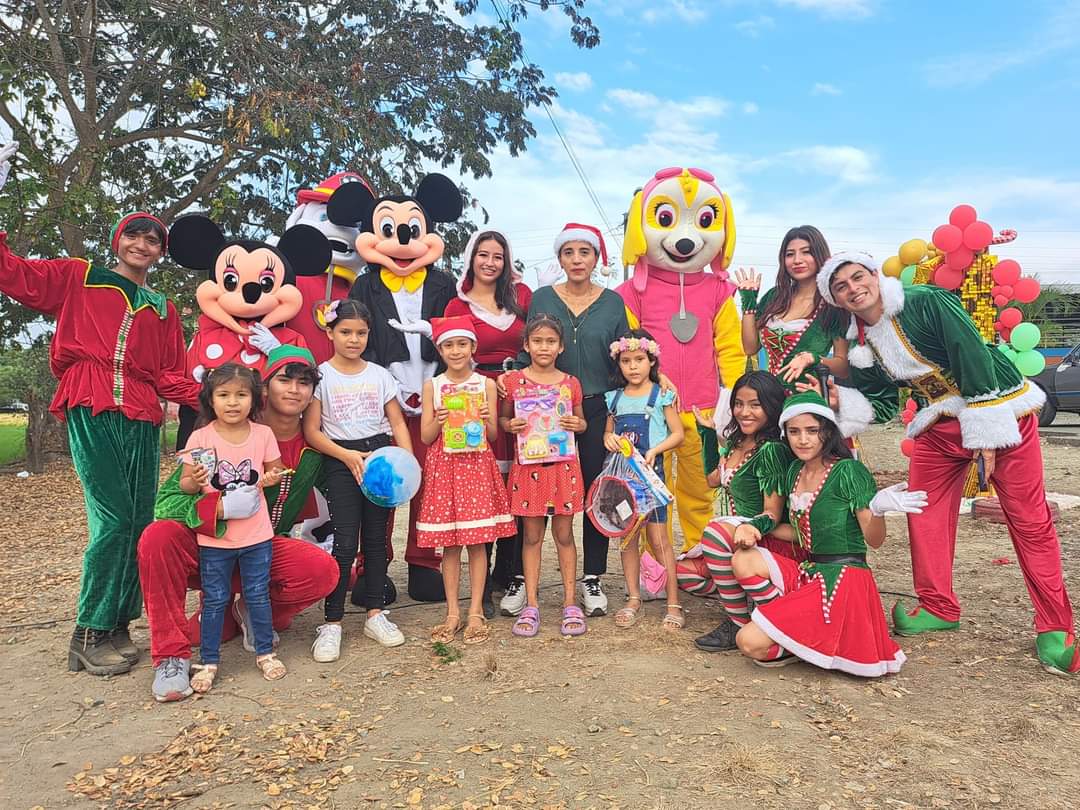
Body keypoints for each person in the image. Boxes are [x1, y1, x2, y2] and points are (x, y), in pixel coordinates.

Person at [821, 250, 1080, 676]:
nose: (853, 289)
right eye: (841, 287)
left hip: (1001, 410)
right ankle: (938, 606)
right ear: (836, 299)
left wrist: (986, 434)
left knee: (1029, 519)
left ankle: (1055, 627)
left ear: (873, 275)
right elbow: (881, 400)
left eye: (857, 277)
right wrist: (841, 400)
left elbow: (970, 350)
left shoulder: (925, 300)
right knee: (922, 510)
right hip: (940, 422)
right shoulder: (862, 342)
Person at [0, 142, 201, 675]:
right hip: (90, 402)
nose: (143, 244)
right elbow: (12, 273)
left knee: (140, 522)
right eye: (135, 234)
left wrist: (230, 396)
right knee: (112, 519)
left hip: (143, 415)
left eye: (153, 239)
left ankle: (117, 624)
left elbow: (171, 375)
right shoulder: (79, 276)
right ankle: (87, 631)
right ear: (118, 240)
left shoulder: (163, 308)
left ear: (160, 251)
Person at [141, 344, 339, 703]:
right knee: (158, 536)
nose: (294, 390)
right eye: (284, 380)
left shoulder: (314, 447)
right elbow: (168, 502)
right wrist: (217, 508)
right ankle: (171, 656)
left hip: (260, 549)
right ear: (264, 388)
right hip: (210, 548)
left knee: (322, 570)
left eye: (304, 382)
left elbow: (345, 492)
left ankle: (248, 608)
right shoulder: (213, 434)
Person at [732, 390, 926, 675]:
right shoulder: (794, 471)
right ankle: (792, 628)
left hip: (844, 580)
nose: (803, 439)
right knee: (744, 558)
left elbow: (874, 540)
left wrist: (878, 510)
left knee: (749, 642)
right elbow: (800, 533)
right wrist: (750, 526)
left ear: (828, 431)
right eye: (794, 431)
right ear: (785, 433)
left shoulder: (848, 471)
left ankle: (801, 638)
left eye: (812, 430)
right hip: (809, 571)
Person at [509, 224, 630, 617]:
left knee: (594, 492)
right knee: (531, 488)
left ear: (597, 258)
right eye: (569, 252)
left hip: (594, 407)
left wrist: (652, 383)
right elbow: (528, 349)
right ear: (559, 258)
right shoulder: (543, 297)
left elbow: (626, 355)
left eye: (585, 252)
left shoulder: (613, 302)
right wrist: (510, 390)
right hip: (540, 409)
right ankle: (519, 579)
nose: (577, 260)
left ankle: (591, 577)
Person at [305, 299, 413, 660]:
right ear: (330, 333)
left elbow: (397, 422)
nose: (354, 339)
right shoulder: (321, 376)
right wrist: (346, 455)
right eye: (346, 332)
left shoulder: (380, 376)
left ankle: (375, 614)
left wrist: (406, 462)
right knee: (345, 542)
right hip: (341, 461)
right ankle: (332, 622)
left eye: (361, 333)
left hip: (379, 459)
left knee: (377, 540)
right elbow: (312, 431)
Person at [178, 364, 288, 691]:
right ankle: (209, 661)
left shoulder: (263, 434)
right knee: (214, 599)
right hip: (215, 537)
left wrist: (272, 477)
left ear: (253, 399)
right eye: (223, 394)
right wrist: (195, 480)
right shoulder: (200, 438)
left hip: (257, 535)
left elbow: (276, 469)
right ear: (210, 399)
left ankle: (265, 653)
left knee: (257, 594)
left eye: (241, 394)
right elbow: (186, 485)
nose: (232, 402)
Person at [444, 229, 531, 617]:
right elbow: (450, 354)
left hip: (519, 398)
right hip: (476, 399)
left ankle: (508, 575)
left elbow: (538, 340)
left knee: (518, 487)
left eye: (498, 256)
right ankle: (483, 588)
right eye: (483, 255)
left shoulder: (522, 297)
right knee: (484, 488)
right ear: (471, 259)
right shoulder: (456, 305)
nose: (490, 262)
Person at [419, 316, 516, 644]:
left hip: (476, 467)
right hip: (445, 467)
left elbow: (492, 435)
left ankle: (475, 610)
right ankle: (452, 612)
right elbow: (426, 436)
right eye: (449, 345)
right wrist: (440, 419)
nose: (456, 351)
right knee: (450, 544)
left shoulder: (484, 385)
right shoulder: (433, 386)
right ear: (440, 349)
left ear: (473, 347)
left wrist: (488, 420)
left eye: (462, 344)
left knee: (477, 542)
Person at [687, 372, 797, 653]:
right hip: (737, 539)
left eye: (755, 405)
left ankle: (742, 621)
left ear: (772, 406)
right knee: (682, 573)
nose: (744, 412)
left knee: (714, 533)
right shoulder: (738, 441)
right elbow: (713, 479)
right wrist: (707, 433)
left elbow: (772, 514)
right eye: (738, 403)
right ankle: (743, 599)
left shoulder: (771, 450)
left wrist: (746, 528)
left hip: (768, 539)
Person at [501, 315, 588, 637]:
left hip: (563, 468)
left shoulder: (570, 383)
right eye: (537, 341)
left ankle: (570, 602)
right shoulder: (513, 382)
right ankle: (532, 604)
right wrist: (510, 425)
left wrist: (578, 425)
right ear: (526, 345)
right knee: (531, 537)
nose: (544, 347)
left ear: (561, 346)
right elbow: (503, 419)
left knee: (564, 535)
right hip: (529, 468)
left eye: (551, 341)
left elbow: (581, 422)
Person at [603, 330, 686, 630]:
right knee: (627, 538)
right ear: (619, 364)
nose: (633, 366)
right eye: (626, 361)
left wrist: (655, 449)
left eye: (639, 359)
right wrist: (609, 438)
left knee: (659, 539)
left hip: (652, 480)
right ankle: (633, 597)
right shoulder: (614, 398)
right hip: (622, 482)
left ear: (651, 361)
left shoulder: (661, 395)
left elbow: (678, 433)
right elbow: (607, 432)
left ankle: (673, 602)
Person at [734, 226, 849, 392]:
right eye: (789, 254)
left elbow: (843, 368)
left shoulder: (833, 304)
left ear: (820, 255)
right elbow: (750, 348)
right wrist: (748, 301)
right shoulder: (774, 297)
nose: (797, 260)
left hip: (806, 396)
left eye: (806, 252)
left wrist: (813, 358)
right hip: (769, 397)